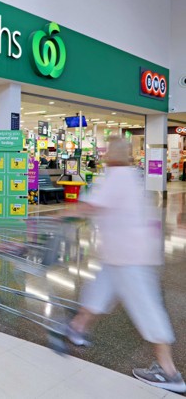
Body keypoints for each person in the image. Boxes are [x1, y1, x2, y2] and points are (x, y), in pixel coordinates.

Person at [66, 137, 185, 393]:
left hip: (128, 258)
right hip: (119, 254)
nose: (104, 154)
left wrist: (63, 214)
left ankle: (168, 372)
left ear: (114, 155)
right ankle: (77, 328)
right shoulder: (132, 176)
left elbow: (91, 205)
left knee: (146, 308)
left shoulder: (116, 177)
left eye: (108, 151)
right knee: (98, 292)